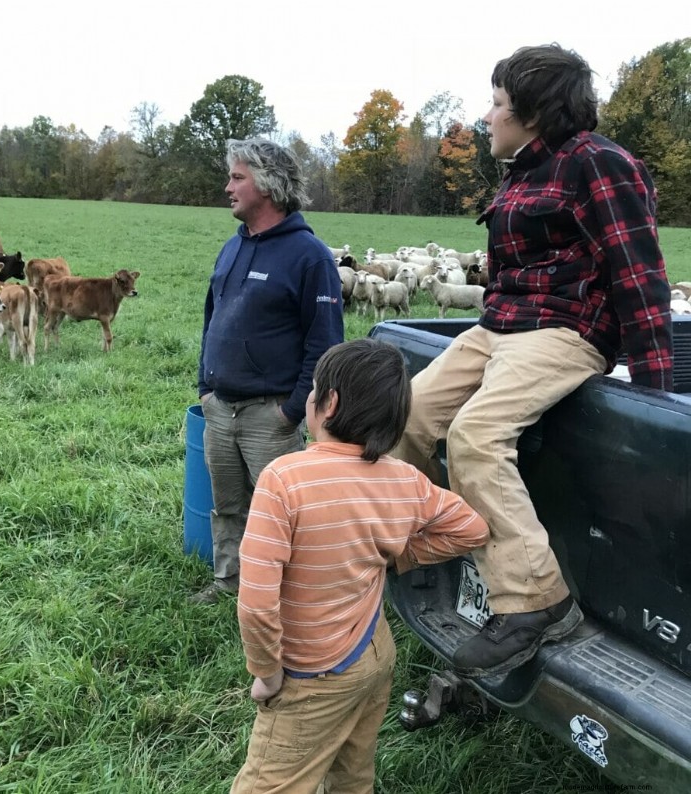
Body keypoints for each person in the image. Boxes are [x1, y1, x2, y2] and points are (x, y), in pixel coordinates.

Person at [394, 43, 674, 679]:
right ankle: (415, 550)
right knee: (407, 413)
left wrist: (653, 399)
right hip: (499, 324)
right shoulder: (524, 170)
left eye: (497, 104)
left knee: (476, 436)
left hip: (566, 329)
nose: (487, 116)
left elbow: (640, 274)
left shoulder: (599, 163)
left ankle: (534, 601)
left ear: (534, 112)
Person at [231, 338, 489, 794]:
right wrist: (400, 556)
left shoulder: (282, 480)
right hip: (373, 652)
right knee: (352, 775)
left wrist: (268, 673)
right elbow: (471, 529)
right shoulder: (405, 480)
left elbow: (255, 604)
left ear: (327, 404)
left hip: (310, 672)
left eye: (314, 389)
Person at [192, 138, 344, 604]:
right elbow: (211, 319)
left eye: (238, 178)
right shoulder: (231, 249)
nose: (227, 187)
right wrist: (205, 387)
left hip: (269, 414)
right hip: (220, 409)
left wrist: (291, 410)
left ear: (270, 185)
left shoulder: (309, 256)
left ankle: (292, 596)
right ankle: (229, 581)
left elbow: (325, 344)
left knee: (283, 512)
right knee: (228, 506)